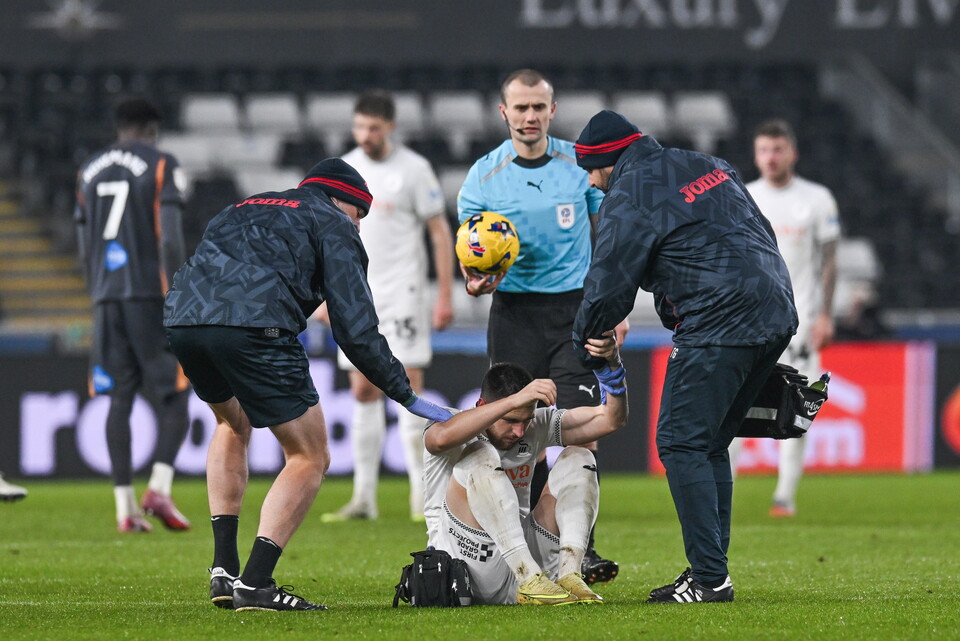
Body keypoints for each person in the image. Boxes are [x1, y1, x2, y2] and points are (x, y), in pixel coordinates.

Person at [163, 158, 452, 612]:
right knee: (309, 454)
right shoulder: (334, 223)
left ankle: (223, 569)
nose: (358, 227)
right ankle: (256, 584)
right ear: (344, 202)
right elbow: (355, 330)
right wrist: (404, 393)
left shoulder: (240, 206)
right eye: (360, 215)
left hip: (184, 321)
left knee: (232, 422)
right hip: (255, 326)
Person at [571, 110, 798, 603]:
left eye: (591, 168)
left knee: (679, 442)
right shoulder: (706, 162)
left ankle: (710, 578)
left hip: (720, 318)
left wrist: (585, 342)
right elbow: (760, 231)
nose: (591, 180)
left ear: (609, 160)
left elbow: (608, 282)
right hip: (777, 307)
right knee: (711, 443)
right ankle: (714, 572)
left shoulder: (630, 195)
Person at [457, 68, 627, 584]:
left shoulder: (579, 167)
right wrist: (475, 282)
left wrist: (613, 308)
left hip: (574, 313)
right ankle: (508, 545)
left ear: (552, 111)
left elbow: (612, 236)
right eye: (520, 107)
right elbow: (471, 258)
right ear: (503, 112)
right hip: (512, 315)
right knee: (508, 433)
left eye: (538, 107)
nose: (529, 116)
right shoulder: (482, 176)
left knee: (580, 432)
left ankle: (582, 548)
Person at [321, 90, 454, 524]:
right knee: (362, 389)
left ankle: (421, 496)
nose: (365, 135)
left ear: (390, 127)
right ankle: (364, 497)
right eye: (359, 126)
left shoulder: (413, 170)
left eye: (373, 128)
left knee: (409, 388)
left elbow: (438, 232)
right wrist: (324, 293)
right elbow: (323, 236)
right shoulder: (345, 169)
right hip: (357, 293)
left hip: (405, 293)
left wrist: (445, 294)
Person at [423, 331, 628, 605]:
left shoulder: (535, 424)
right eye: (510, 419)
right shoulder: (450, 422)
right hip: (464, 565)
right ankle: (528, 577)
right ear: (483, 405)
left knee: (581, 457)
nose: (519, 431)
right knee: (480, 453)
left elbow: (611, 420)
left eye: (526, 420)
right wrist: (515, 399)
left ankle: (569, 575)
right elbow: (438, 440)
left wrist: (614, 367)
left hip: (520, 557)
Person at [74, 98, 192, 533]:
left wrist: (98, 294)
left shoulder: (87, 169)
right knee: (177, 395)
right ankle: (159, 486)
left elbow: (84, 243)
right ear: (152, 128)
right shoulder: (161, 164)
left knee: (118, 398)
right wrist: (177, 289)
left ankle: (124, 508)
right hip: (148, 295)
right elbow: (170, 238)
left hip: (106, 298)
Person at [728, 119, 841, 517]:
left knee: (796, 408)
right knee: (733, 408)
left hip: (801, 325)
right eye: (763, 150)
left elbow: (829, 262)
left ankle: (784, 497)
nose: (770, 157)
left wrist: (825, 314)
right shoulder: (745, 196)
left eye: (777, 149)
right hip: (750, 322)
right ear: (756, 155)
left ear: (791, 152)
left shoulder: (816, 199)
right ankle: (727, 491)